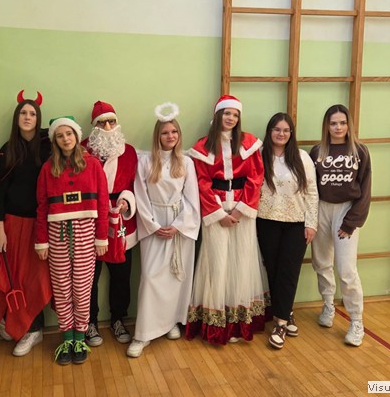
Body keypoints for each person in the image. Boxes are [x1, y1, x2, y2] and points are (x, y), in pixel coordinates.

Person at [185, 95, 267, 345]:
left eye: (235, 114)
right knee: (217, 263)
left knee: (242, 260)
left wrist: (240, 211)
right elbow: (201, 183)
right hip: (216, 210)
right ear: (218, 115)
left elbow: (255, 178)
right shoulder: (203, 146)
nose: (231, 118)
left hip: (243, 210)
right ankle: (218, 324)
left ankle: (239, 322)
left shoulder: (249, 143)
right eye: (227, 113)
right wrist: (220, 214)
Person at [127, 103, 200, 358]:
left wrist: (178, 225)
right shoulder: (146, 161)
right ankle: (143, 333)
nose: (170, 136)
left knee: (176, 276)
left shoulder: (186, 163)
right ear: (157, 135)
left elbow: (192, 198)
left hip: (179, 224)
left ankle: (170, 323)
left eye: (174, 132)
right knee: (150, 278)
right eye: (165, 132)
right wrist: (154, 225)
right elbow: (140, 195)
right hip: (154, 223)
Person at [35, 116, 109, 365]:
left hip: (85, 231)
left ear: (76, 136)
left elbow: (102, 202)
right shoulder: (48, 168)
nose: (65, 139)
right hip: (56, 233)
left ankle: (80, 337)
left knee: (82, 289)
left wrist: (101, 237)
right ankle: (67, 337)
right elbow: (42, 206)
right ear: (54, 140)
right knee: (62, 289)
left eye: (69, 134)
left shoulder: (93, 164)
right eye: (60, 135)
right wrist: (42, 240)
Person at [0, 92, 52, 357]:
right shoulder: (8, 149)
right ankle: (13, 321)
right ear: (17, 118)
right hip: (13, 224)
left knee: (35, 278)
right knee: (12, 274)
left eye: (32, 113)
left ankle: (34, 329)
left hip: (40, 224)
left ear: (38, 119)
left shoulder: (48, 147)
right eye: (23, 113)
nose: (27, 117)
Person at [309, 104, 372, 347]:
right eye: (333, 123)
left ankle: (356, 320)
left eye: (342, 123)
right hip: (321, 209)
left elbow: (365, 189)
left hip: (346, 210)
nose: (338, 127)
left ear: (349, 125)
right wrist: (310, 218)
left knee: (346, 268)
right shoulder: (317, 151)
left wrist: (352, 221)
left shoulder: (360, 151)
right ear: (327, 126)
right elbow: (310, 188)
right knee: (322, 262)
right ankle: (328, 305)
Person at [256, 112, 318, 350]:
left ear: (291, 133)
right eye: (277, 129)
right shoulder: (260, 155)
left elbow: (312, 192)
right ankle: (286, 312)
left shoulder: (302, 157)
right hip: (266, 220)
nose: (281, 134)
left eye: (285, 130)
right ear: (270, 131)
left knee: (289, 271)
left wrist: (311, 223)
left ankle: (280, 323)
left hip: (296, 223)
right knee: (273, 271)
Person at [82, 101, 137, 346]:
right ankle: (89, 322)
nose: (107, 127)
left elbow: (135, 185)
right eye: (101, 122)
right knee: (88, 277)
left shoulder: (129, 152)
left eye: (111, 121)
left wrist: (126, 200)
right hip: (90, 220)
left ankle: (118, 319)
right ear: (93, 126)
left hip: (121, 222)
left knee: (121, 276)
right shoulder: (81, 150)